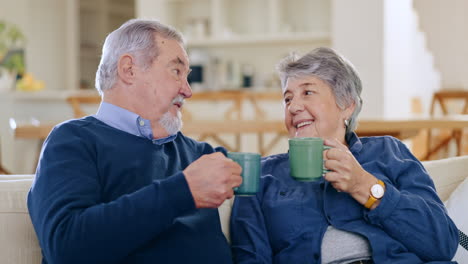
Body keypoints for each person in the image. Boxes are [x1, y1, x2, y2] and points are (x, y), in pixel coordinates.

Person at [28, 19, 243, 264]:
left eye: (187, 76)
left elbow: (266, 183)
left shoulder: (200, 155)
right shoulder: (73, 142)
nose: (188, 90)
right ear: (129, 69)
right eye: (176, 71)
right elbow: (65, 248)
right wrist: (183, 191)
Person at [230, 47, 459, 263]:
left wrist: (366, 187)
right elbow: (250, 257)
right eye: (288, 98)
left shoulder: (389, 152)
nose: (293, 107)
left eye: (307, 92)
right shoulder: (261, 176)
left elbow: (443, 243)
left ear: (347, 105)